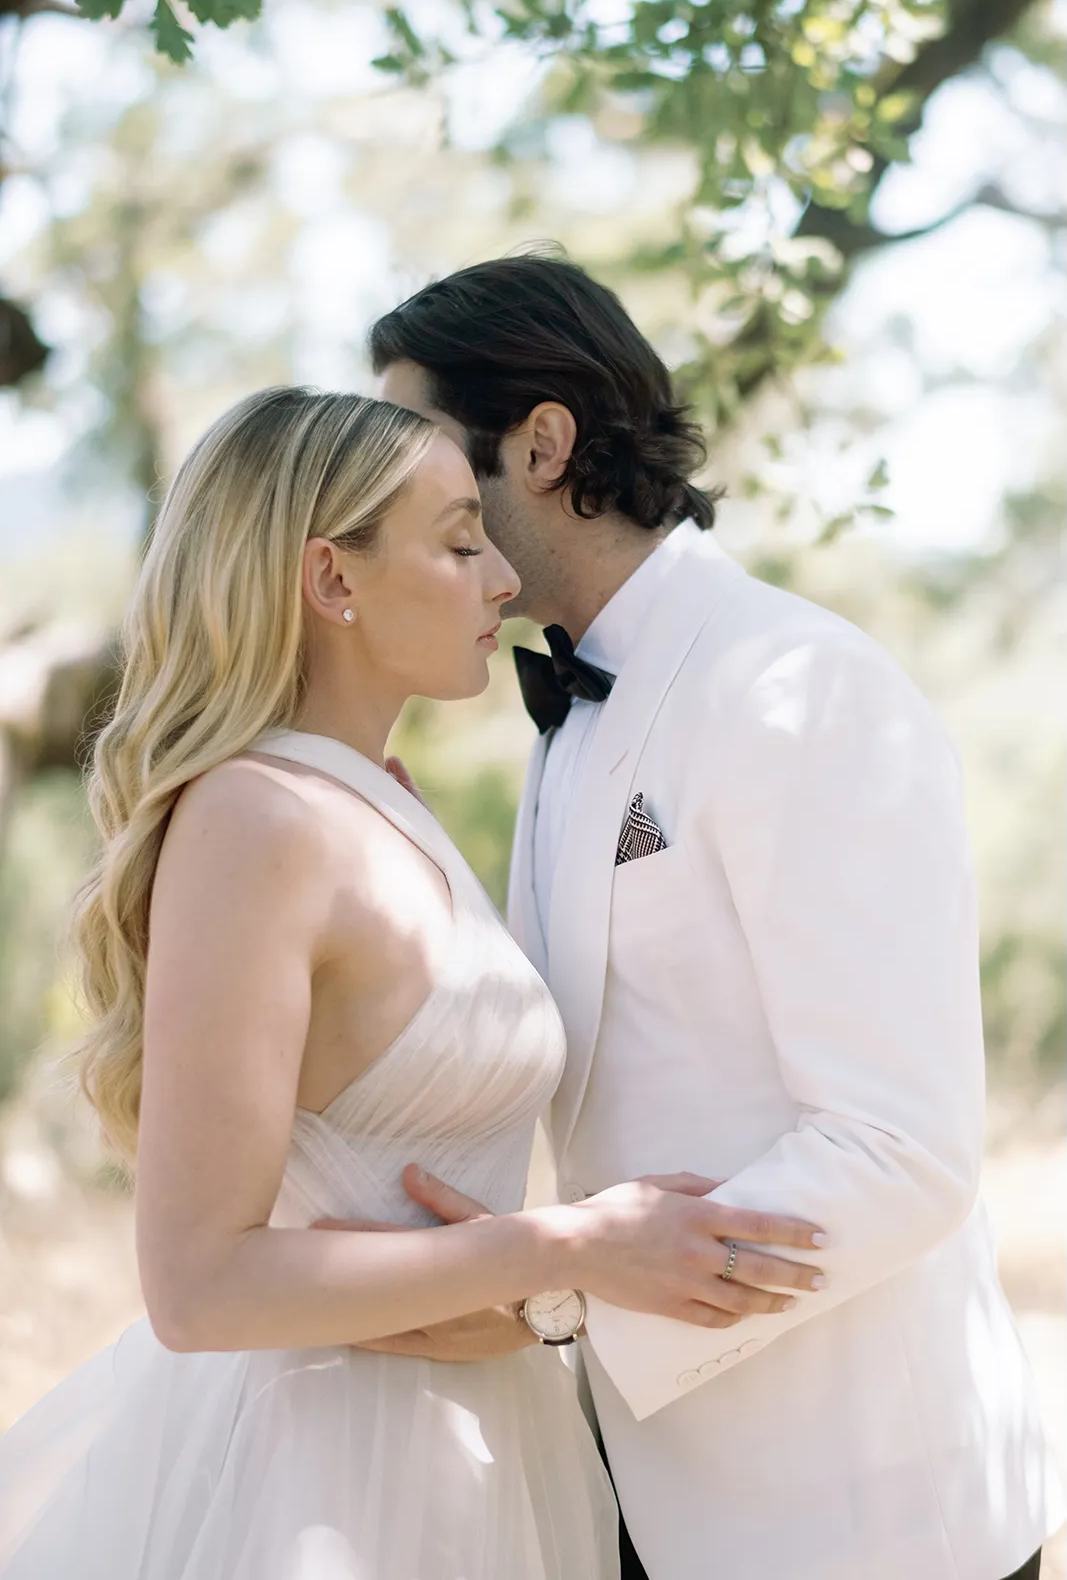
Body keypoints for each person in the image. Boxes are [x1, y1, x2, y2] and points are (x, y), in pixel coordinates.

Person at [0, 386, 825, 1580]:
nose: (501, 578)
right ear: (332, 581)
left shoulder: (380, 798)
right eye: (455, 543)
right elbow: (196, 1281)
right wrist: (571, 1247)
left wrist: (538, 1293)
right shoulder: (253, 818)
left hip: (479, 1448)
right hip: (323, 1479)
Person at [370, 252, 1065, 1580]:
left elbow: (900, 1150)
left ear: (540, 444)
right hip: (647, 1497)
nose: (404, 497)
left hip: (862, 1521)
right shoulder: (563, 717)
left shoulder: (800, 688)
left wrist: (550, 1295)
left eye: (421, 451)